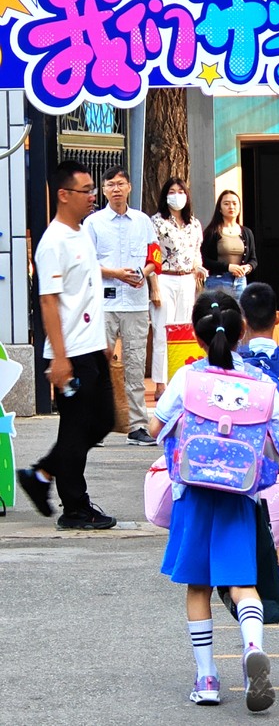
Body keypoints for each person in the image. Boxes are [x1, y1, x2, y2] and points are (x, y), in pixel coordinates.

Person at [148, 290, 279, 711]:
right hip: (241, 498)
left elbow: (158, 426)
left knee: (198, 586)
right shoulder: (260, 382)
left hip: (194, 495)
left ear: (197, 336)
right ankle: (251, 650)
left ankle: (207, 678)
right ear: (241, 330)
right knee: (242, 584)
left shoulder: (188, 378)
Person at [17, 160, 116, 530]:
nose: (92, 196)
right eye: (86, 190)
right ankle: (75, 506)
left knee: (104, 421)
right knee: (75, 429)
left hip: (92, 346)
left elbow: (88, 295)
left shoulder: (82, 234)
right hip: (70, 352)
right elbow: (49, 302)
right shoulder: (53, 242)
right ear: (63, 195)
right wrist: (59, 358)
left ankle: (41, 473)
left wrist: (104, 340)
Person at [85, 166, 158, 445]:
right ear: (103, 190)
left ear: (129, 188)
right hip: (103, 302)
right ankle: (94, 424)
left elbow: (156, 257)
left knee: (136, 365)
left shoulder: (143, 222)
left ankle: (137, 426)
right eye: (111, 184)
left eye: (121, 184)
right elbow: (87, 263)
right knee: (96, 365)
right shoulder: (93, 223)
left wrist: (145, 273)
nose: (116, 189)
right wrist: (116, 274)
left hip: (136, 304)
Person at [239, 281, 279, 602]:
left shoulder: (237, 360)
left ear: (242, 320)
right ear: (277, 318)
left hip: (243, 449)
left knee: (249, 511)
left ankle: (251, 576)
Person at [150, 178, 208, 400]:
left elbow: (195, 252)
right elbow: (153, 256)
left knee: (184, 330)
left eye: (180, 191)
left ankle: (180, 376)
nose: (177, 195)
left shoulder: (194, 224)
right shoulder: (156, 222)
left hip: (187, 280)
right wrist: (154, 287)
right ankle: (160, 383)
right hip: (165, 278)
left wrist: (198, 268)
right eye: (172, 191)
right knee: (162, 331)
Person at [201, 190, 257, 300]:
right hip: (217, 281)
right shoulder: (212, 232)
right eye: (226, 204)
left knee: (239, 315)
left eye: (235, 203)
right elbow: (204, 260)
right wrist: (228, 267)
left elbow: (253, 259)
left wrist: (247, 267)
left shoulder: (247, 232)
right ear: (220, 209)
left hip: (240, 282)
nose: (231, 207)